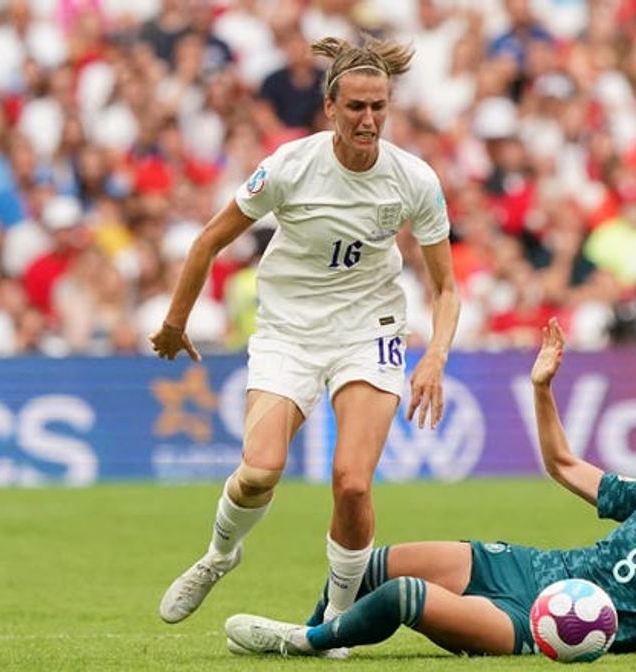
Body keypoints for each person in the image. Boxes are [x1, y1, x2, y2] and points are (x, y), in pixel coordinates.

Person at [222, 319, 636, 658]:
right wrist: (542, 387)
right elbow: (562, 463)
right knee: (373, 565)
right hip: (530, 568)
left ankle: (303, 642)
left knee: (404, 595)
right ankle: (331, 636)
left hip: (545, 622)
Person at [150, 35, 460, 627]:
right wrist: (174, 323)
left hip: (369, 331)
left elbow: (446, 287)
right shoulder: (290, 166)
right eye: (355, 107)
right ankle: (219, 556)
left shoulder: (414, 179)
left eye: (378, 107)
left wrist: (436, 356)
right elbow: (208, 241)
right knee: (259, 471)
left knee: (352, 483)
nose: (368, 120)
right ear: (329, 107)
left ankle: (337, 620)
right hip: (289, 331)